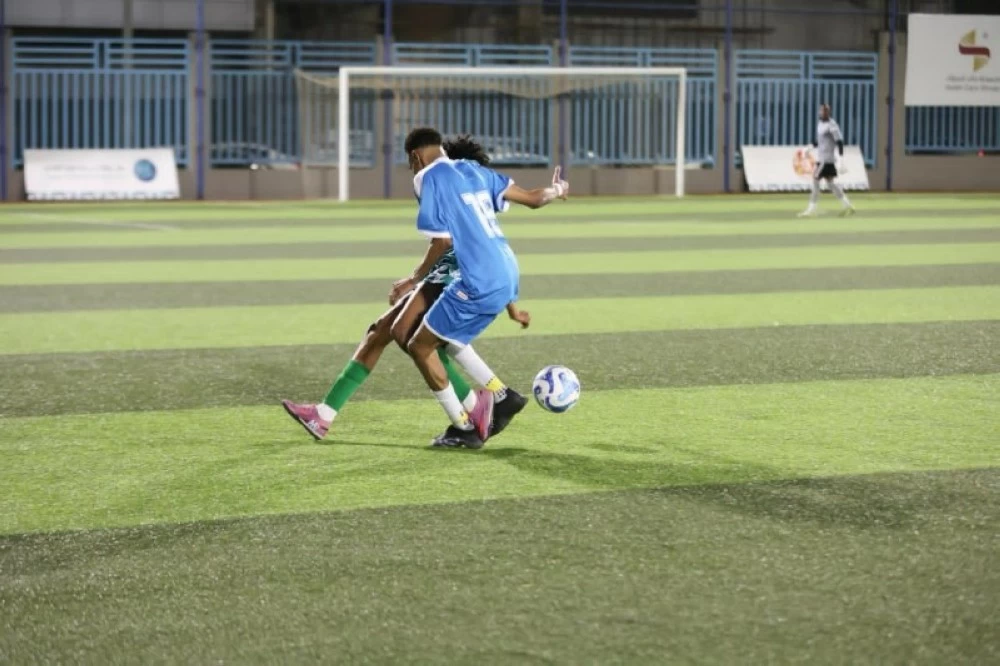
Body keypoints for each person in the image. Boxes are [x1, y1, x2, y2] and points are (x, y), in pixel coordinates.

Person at [281, 134, 569, 446]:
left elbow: (444, 241)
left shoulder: (433, 177)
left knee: (411, 338)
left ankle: (478, 408)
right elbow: (529, 201)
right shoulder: (475, 175)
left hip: (453, 270)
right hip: (485, 272)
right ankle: (324, 414)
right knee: (389, 331)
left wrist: (413, 278)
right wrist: (557, 189)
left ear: (416, 156)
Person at [798, 103, 856, 218]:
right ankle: (848, 205)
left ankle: (811, 209)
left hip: (825, 160)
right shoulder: (820, 124)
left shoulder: (832, 125)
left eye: (826, 111)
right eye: (822, 110)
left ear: (829, 112)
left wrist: (841, 159)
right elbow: (820, 141)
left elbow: (839, 141)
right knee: (830, 184)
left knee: (815, 180)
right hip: (823, 159)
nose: (823, 112)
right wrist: (809, 147)